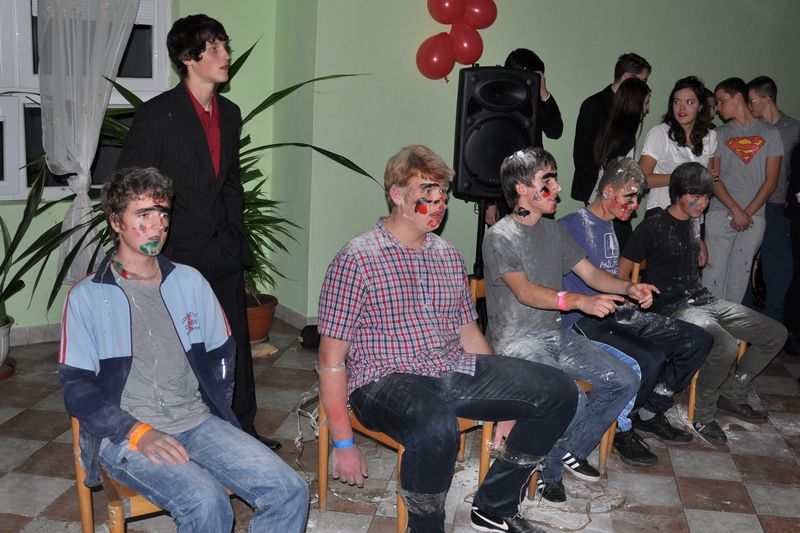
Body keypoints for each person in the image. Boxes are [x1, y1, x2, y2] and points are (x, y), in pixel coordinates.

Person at [317, 145, 577, 533]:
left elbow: (468, 332)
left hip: (450, 367)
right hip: (383, 378)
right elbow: (330, 359)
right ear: (397, 195)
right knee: (438, 428)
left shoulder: (447, 256)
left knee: (558, 390)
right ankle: (425, 526)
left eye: (443, 194)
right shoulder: (357, 258)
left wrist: (508, 405)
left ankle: (495, 505)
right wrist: (343, 443)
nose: (439, 204)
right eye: (427, 193)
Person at [59, 167, 308, 532]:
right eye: (144, 214)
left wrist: (212, 405)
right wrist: (137, 432)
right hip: (125, 436)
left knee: (289, 490)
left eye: (162, 213)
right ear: (115, 221)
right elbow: (78, 389)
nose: (157, 225)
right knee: (206, 502)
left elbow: (222, 353)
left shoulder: (190, 282)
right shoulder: (88, 296)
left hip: (196, 420)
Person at [117, 15, 280, 450]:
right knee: (181, 347)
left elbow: (230, 183)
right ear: (189, 58)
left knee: (234, 342)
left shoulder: (231, 114)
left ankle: (243, 431)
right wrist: (151, 250)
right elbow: (131, 188)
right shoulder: (156, 115)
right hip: (176, 253)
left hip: (223, 248)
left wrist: (236, 236)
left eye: (225, 45)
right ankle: (186, 431)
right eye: (214, 48)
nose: (225, 55)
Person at [482, 147, 651, 503]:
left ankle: (563, 451)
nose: (557, 188)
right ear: (521, 188)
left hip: (554, 335)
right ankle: (548, 469)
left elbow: (590, 273)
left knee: (624, 380)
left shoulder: (553, 231)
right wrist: (578, 301)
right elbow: (525, 291)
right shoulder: (499, 236)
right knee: (570, 398)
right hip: (515, 343)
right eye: (548, 180)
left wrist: (627, 288)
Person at [559, 157, 712, 466]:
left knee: (698, 340)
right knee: (650, 358)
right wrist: (621, 291)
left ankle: (649, 411)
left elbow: (608, 277)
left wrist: (631, 290)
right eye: (629, 197)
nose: (635, 205)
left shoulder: (612, 224)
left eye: (637, 198)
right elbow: (583, 280)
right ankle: (620, 428)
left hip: (614, 313)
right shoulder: (571, 225)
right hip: (582, 321)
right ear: (607, 192)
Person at [619, 162, 787, 442]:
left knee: (775, 333)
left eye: (707, 197)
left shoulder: (694, 221)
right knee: (725, 345)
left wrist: (701, 247)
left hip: (702, 300)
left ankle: (733, 392)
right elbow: (622, 273)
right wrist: (632, 303)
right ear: (677, 194)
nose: (702, 203)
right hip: (672, 307)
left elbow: (693, 249)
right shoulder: (652, 226)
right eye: (695, 196)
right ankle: (702, 414)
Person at [701, 78, 783, 305]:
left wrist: (746, 213)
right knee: (713, 274)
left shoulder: (771, 133)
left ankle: (730, 327)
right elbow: (713, 177)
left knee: (740, 276)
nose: (718, 108)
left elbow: (771, 180)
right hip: (721, 212)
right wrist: (736, 210)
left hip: (754, 217)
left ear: (738, 97)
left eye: (722, 100)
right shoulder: (718, 134)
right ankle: (708, 324)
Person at [743, 76, 800, 321]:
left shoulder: (793, 129)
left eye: (751, 100)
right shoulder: (751, 129)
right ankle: (742, 319)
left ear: (767, 99)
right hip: (750, 204)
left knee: (778, 269)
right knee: (742, 263)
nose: (748, 106)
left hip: (778, 207)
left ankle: (776, 323)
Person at [486, 48, 564, 225]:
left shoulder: (535, 101)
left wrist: (544, 93)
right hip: (504, 186)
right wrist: (490, 203)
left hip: (534, 183)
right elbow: (488, 152)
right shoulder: (496, 100)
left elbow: (555, 131)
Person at [572, 52, 651, 204]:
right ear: (627, 77)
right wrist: (600, 188)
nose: (644, 86)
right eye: (642, 80)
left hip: (620, 188)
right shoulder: (593, 104)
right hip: (598, 188)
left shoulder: (631, 108)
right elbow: (582, 153)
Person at [640, 76, 718, 215]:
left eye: (689, 102)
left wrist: (706, 179)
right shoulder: (660, 132)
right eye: (677, 102)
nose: (681, 108)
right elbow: (641, 179)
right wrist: (683, 178)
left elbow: (708, 181)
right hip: (663, 211)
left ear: (700, 106)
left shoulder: (710, 136)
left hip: (695, 214)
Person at [590, 77, 651, 249]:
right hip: (613, 208)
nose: (647, 109)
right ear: (634, 104)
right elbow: (621, 179)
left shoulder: (611, 131)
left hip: (602, 204)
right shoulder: (625, 138)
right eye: (646, 103)